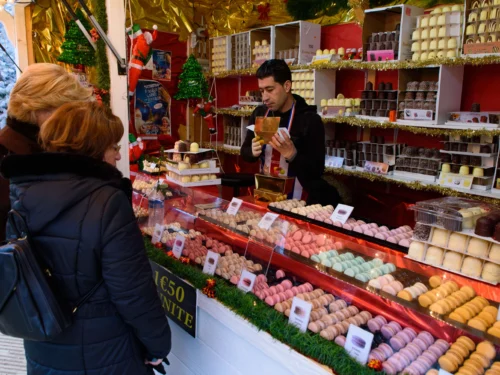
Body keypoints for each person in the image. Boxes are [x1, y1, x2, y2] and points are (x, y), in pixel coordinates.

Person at [1, 101, 171, 375]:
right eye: (114, 147)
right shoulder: (108, 201)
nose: (118, 156)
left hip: (43, 346)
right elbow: (133, 293)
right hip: (104, 355)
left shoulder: (22, 191)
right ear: (93, 149)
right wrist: (158, 346)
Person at [0, 63, 93, 241]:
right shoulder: (12, 157)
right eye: (65, 111)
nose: (70, 122)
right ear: (37, 109)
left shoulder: (40, 151)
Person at [240, 59, 340, 205]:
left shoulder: (309, 119)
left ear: (287, 86)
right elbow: (245, 151)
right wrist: (252, 152)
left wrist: (293, 155)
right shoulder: (260, 113)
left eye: (270, 90)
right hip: (265, 196)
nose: (265, 98)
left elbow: (316, 171)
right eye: (262, 91)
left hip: (298, 203)